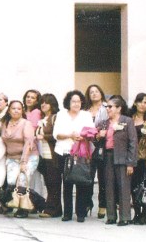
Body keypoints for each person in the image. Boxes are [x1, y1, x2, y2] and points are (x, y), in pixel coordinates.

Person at [53, 90, 95, 222]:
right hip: (64, 152)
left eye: (78, 101)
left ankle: (80, 213)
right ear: (68, 102)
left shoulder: (86, 115)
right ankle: (67, 213)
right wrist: (69, 135)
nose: (76, 104)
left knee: (81, 182)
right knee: (67, 183)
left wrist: (83, 136)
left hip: (81, 153)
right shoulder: (61, 114)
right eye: (73, 101)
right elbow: (56, 134)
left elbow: (92, 132)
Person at [99, 96, 136, 226]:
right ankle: (111, 216)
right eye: (106, 107)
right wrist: (99, 135)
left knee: (123, 187)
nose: (108, 109)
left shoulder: (127, 121)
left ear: (119, 108)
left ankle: (125, 217)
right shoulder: (104, 123)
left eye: (110, 107)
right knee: (109, 186)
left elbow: (132, 143)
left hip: (122, 156)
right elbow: (97, 140)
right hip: (108, 156)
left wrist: (130, 163)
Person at [1, 100, 37, 218]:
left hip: (28, 157)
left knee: (22, 181)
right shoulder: (5, 123)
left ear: (22, 111)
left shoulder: (26, 123)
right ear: (9, 110)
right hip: (12, 157)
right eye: (13, 108)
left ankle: (23, 209)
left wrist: (23, 162)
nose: (16, 111)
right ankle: (19, 203)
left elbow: (28, 143)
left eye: (19, 109)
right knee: (11, 182)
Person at [83, 84, 110, 219]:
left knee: (103, 177)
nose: (94, 94)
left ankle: (103, 205)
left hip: (102, 145)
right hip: (87, 145)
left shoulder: (107, 107)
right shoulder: (84, 110)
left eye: (96, 91)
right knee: (87, 176)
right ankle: (87, 202)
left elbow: (112, 123)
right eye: (91, 92)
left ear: (101, 93)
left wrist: (103, 133)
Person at [36, 93, 63, 218]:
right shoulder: (43, 118)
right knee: (49, 182)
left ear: (52, 104)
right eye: (42, 102)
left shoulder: (55, 118)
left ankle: (53, 209)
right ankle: (52, 207)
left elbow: (57, 135)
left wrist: (43, 136)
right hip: (43, 155)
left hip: (53, 155)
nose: (43, 104)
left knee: (54, 183)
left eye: (46, 102)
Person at [128, 93, 146, 224]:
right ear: (135, 103)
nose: (142, 105)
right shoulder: (129, 118)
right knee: (134, 185)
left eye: (145, 102)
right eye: (140, 102)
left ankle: (145, 213)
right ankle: (137, 213)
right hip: (132, 157)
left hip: (145, 157)